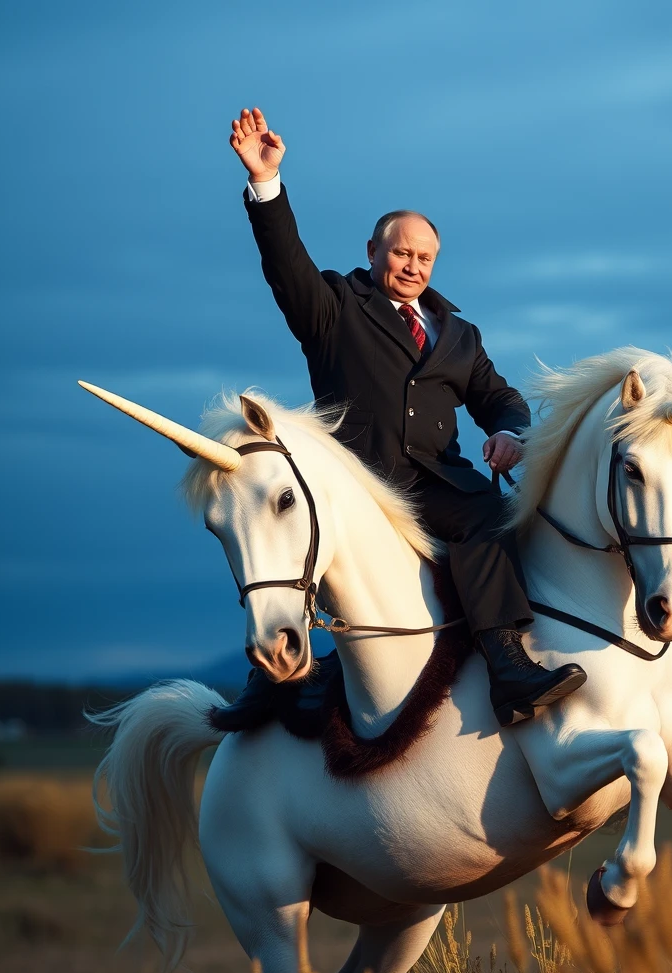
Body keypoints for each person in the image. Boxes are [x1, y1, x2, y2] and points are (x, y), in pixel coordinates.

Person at [229, 107, 585, 726]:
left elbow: (499, 397)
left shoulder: (460, 334)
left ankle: (510, 669)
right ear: (373, 252)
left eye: (425, 257)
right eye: (401, 253)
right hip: (361, 483)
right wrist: (266, 185)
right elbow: (287, 268)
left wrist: (507, 431)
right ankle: (278, 684)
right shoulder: (335, 307)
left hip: (436, 486)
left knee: (492, 516)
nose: (413, 266)